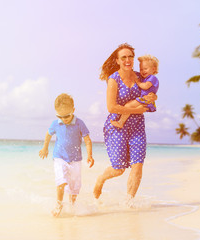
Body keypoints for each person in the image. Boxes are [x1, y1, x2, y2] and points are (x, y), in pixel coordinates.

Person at [93, 43, 157, 203]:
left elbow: (150, 91)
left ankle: (129, 202)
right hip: (116, 125)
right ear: (118, 60)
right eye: (124, 57)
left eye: (130, 57)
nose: (128, 60)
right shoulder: (113, 79)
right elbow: (111, 107)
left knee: (138, 165)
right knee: (119, 168)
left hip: (137, 127)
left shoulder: (140, 75)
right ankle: (101, 179)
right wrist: (137, 110)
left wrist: (153, 98)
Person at [39, 93, 94, 217]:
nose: (64, 119)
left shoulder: (79, 123)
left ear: (73, 110)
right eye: (60, 116)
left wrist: (89, 155)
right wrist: (45, 148)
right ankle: (59, 204)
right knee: (61, 181)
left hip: (76, 160)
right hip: (59, 157)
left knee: (74, 187)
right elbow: (48, 134)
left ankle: (72, 206)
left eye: (67, 116)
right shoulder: (56, 123)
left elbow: (87, 140)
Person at [111, 55, 159, 128]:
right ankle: (121, 122)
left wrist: (138, 82)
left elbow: (146, 86)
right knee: (129, 105)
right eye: (141, 69)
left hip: (145, 99)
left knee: (128, 106)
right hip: (144, 99)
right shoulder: (144, 78)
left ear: (153, 69)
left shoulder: (152, 78)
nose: (143, 71)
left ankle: (121, 122)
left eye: (145, 69)